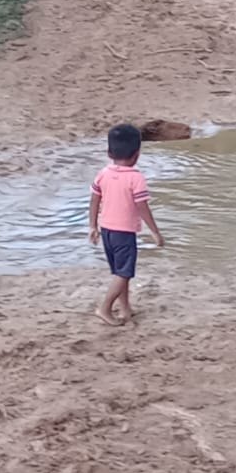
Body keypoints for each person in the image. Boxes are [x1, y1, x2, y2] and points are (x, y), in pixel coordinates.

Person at [89, 122, 164, 327]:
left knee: (120, 272)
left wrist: (92, 226)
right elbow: (142, 207)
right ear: (137, 154)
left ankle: (125, 308)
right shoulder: (135, 178)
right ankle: (104, 308)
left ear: (108, 152)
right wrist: (156, 232)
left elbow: (94, 199)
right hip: (124, 232)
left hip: (107, 231)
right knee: (124, 273)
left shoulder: (103, 173)